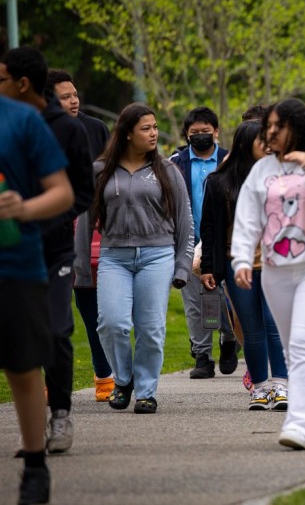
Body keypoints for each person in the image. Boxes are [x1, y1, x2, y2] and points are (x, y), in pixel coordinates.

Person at [231, 98, 305, 450]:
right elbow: (248, 216)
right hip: (275, 271)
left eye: (278, 126)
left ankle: (300, 424)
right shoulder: (262, 169)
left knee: (301, 343)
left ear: (297, 127)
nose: (271, 132)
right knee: (291, 345)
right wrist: (239, 260)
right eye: (268, 127)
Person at [1, 47, 94, 454]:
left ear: (23, 83)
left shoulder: (69, 129)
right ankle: (32, 424)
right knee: (21, 339)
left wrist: (43, 218)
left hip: (54, 249)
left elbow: (80, 193)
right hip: (12, 250)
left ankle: (60, 413)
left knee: (57, 329)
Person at [75, 103, 194, 414]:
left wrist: (183, 264)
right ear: (127, 133)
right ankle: (123, 379)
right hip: (114, 256)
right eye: (146, 128)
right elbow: (85, 221)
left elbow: (184, 221)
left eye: (155, 127)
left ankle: (145, 391)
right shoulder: (101, 171)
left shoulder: (167, 171)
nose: (154, 133)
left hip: (157, 255)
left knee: (151, 328)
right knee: (111, 323)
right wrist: (81, 270)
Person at [0, 94, 74, 505]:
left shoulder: (22, 121)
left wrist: (23, 208)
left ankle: (34, 465)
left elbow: (62, 193)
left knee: (23, 366)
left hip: (15, 262)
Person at [199, 120, 289, 411]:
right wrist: (210, 267)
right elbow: (210, 229)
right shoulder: (220, 182)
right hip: (239, 266)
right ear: (246, 143)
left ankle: (281, 386)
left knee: (275, 327)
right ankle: (260, 388)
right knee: (251, 330)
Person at [47, 69, 114, 403]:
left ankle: (105, 375)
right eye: (65, 96)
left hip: (93, 230)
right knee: (55, 312)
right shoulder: (38, 130)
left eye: (75, 95)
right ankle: (52, 379)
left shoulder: (95, 128)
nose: (73, 101)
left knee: (97, 307)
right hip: (52, 230)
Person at [169, 107, 236, 379]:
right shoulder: (175, 163)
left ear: (216, 132)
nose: (199, 137)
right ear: (186, 134)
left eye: (205, 132)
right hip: (188, 241)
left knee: (225, 299)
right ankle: (202, 356)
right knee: (195, 303)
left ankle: (230, 338)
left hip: (222, 242)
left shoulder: (230, 160)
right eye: (194, 133)